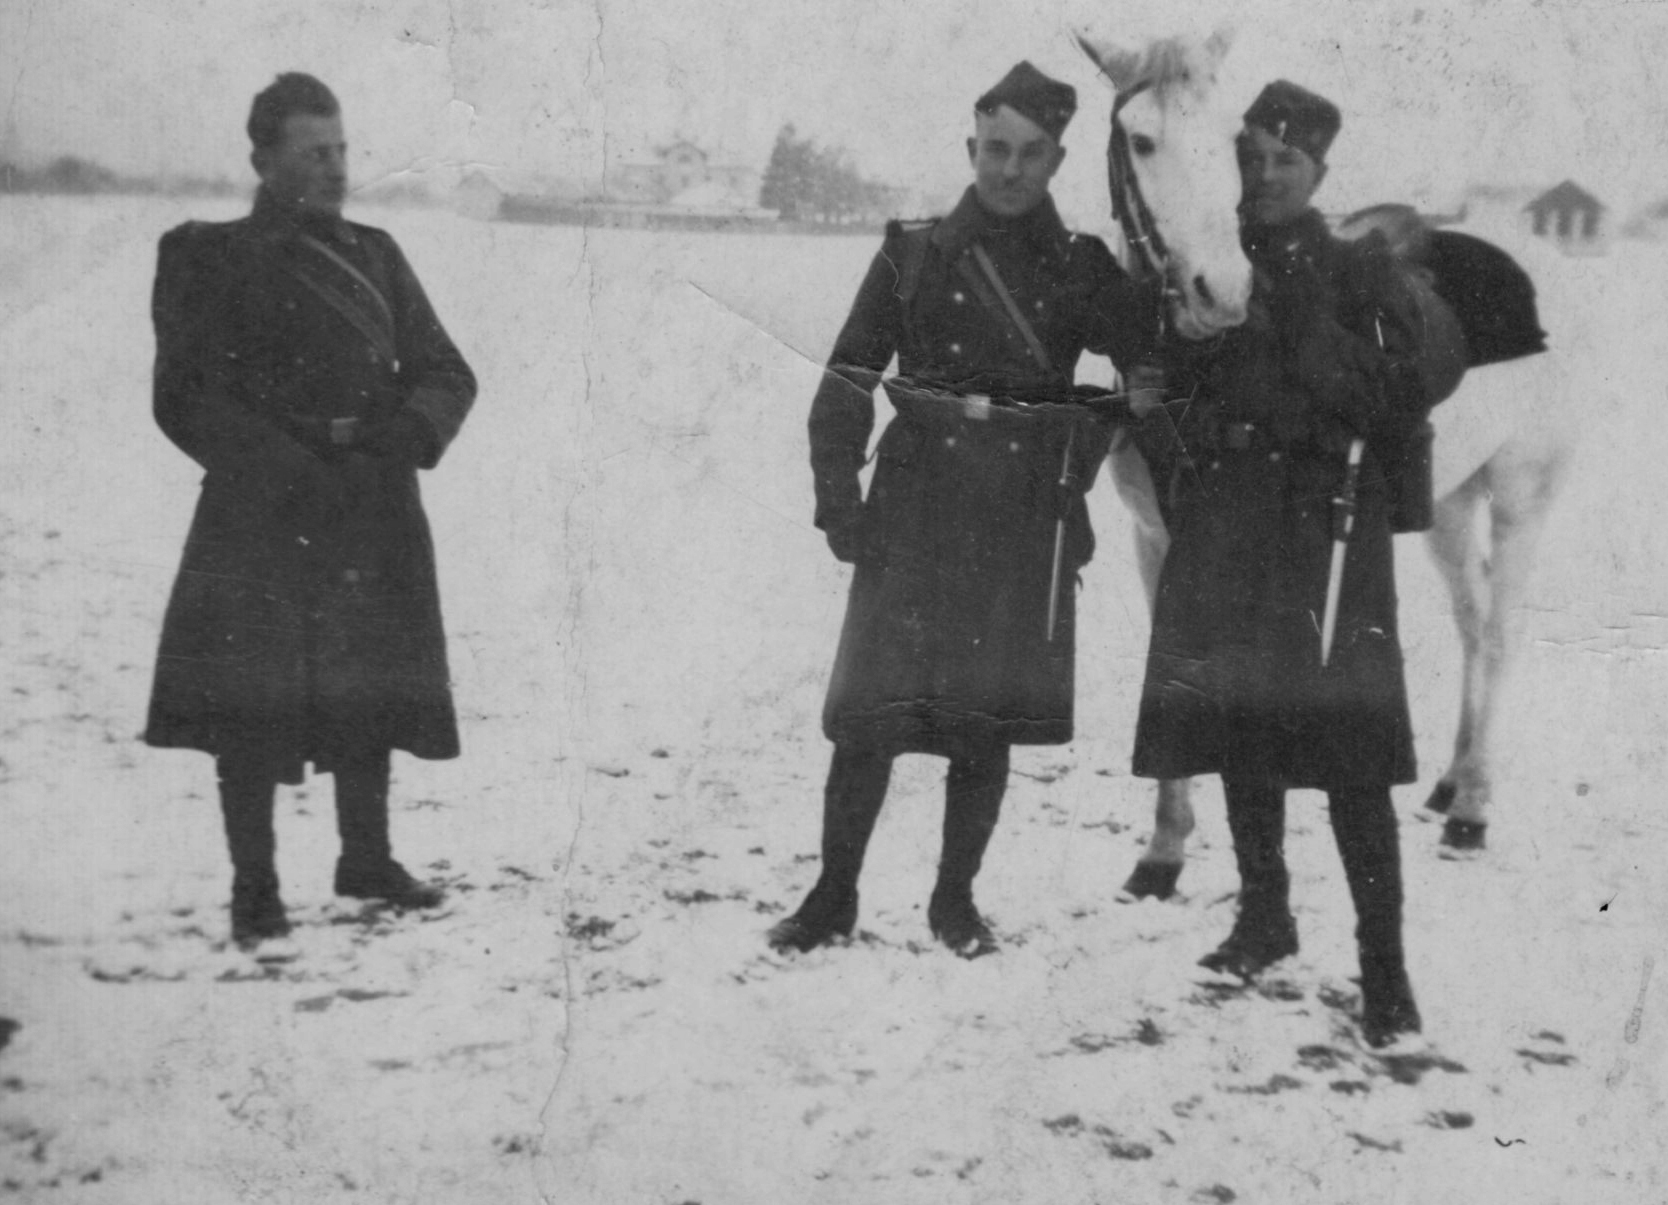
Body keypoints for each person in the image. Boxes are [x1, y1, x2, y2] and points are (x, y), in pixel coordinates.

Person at [768, 62, 1160, 958]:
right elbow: (846, 379)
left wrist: (1123, 392)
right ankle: (832, 896)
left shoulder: (1082, 267)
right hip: (914, 509)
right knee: (867, 723)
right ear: (970, 147)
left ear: (1057, 161)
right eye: (995, 149)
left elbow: (1150, 355)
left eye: (1030, 153)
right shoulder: (911, 253)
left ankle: (955, 903)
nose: (1009, 169)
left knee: (984, 730)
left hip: (1020, 517)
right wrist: (839, 502)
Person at [1128, 81, 1431, 1046]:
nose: (1264, 176)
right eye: (1251, 158)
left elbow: (1400, 388)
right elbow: (1175, 400)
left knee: (1354, 766)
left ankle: (1385, 970)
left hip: (1326, 535)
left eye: (1285, 162)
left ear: (1320, 173)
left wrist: (1292, 318)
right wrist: (1167, 364)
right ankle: (1265, 916)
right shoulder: (1208, 264)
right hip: (1232, 524)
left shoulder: (1360, 269)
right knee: (1242, 738)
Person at [144, 74, 477, 952]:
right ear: (263, 161)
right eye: (313, 153)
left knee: (367, 682)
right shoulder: (206, 256)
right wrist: (288, 468)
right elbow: (184, 396)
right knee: (249, 697)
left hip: (372, 498)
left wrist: (400, 440)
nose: (335, 168)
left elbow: (447, 371)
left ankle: (366, 860)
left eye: (341, 150)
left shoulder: (377, 254)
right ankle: (254, 889)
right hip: (260, 508)